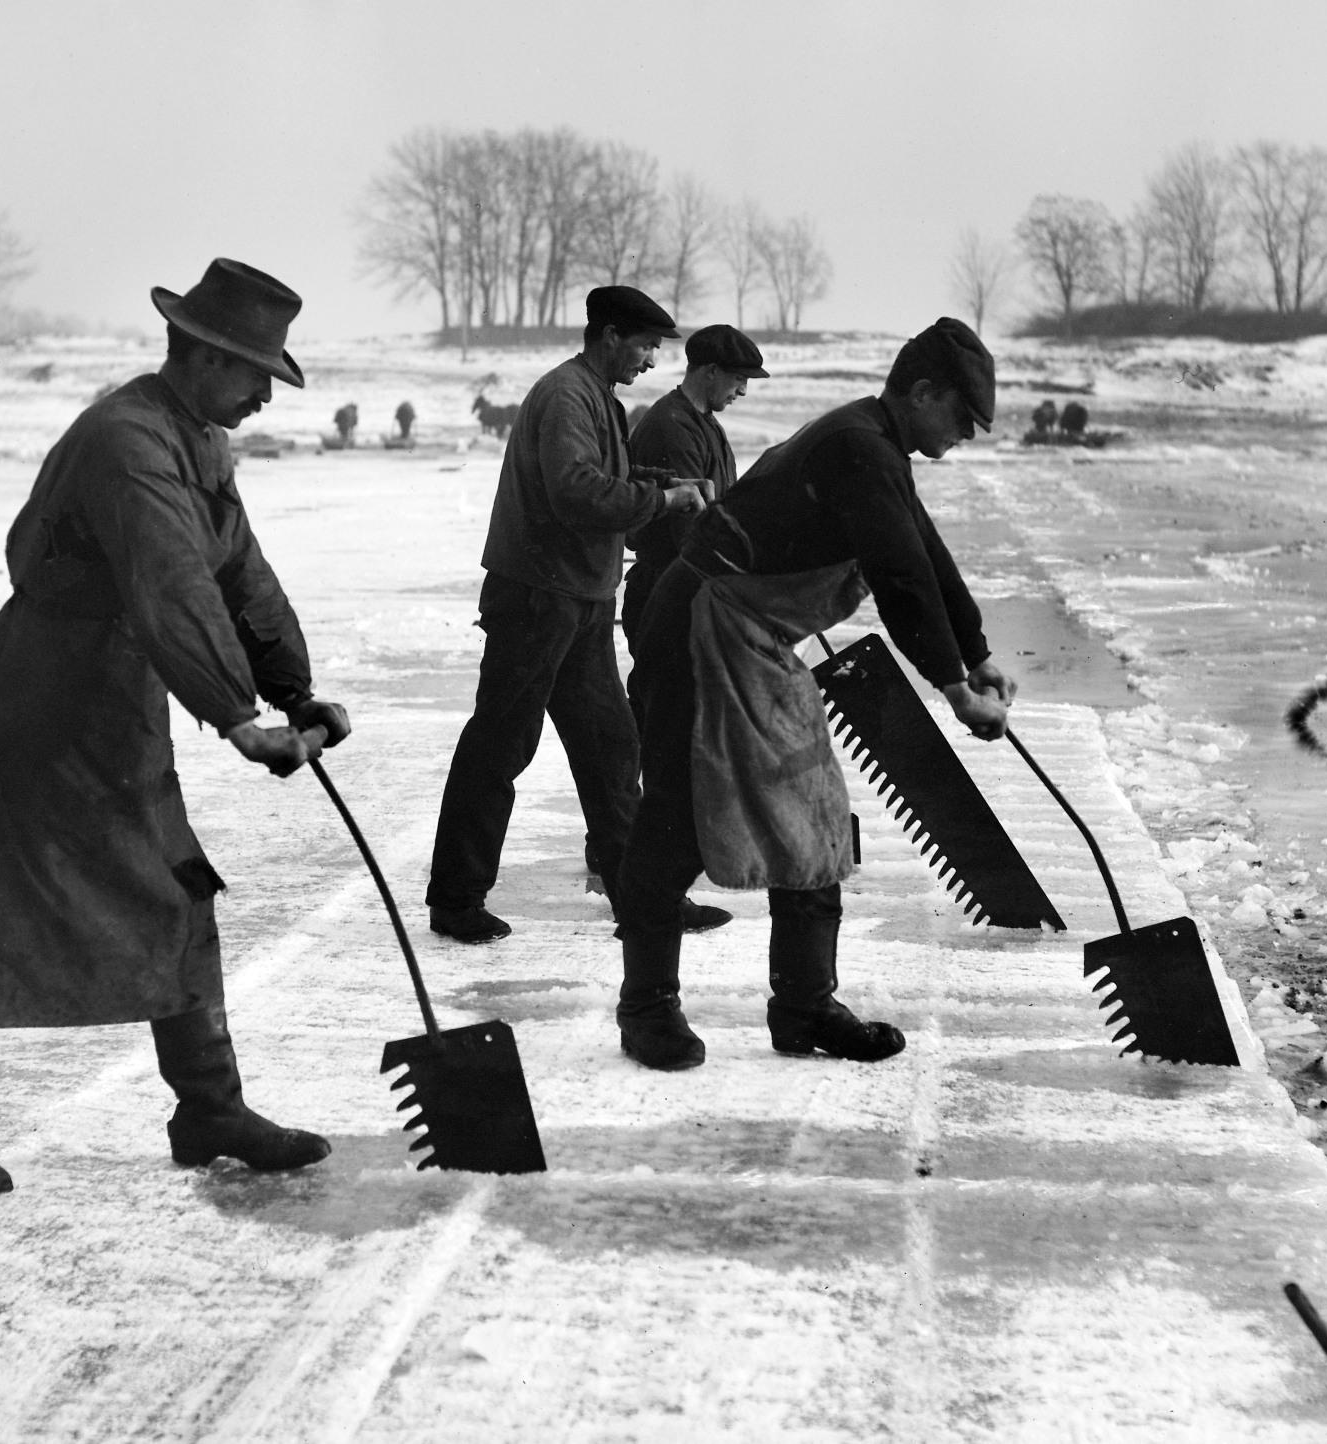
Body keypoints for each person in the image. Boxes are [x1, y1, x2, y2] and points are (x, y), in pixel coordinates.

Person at [0, 258, 352, 1202]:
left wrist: (292, 686)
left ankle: (208, 1110)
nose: (267, 391)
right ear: (198, 355)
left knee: (182, 889)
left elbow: (235, 569)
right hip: (48, 700)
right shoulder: (127, 443)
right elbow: (169, 580)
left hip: (125, 705)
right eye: (254, 371)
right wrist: (236, 716)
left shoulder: (198, 438)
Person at [611, 317, 1015, 1071]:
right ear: (923, 392)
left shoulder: (875, 445)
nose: (967, 434)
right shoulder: (858, 446)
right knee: (677, 819)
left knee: (816, 813)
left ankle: (804, 1007)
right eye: (962, 417)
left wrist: (976, 652)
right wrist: (956, 691)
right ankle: (646, 1010)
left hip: (756, 643)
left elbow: (923, 551)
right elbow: (897, 575)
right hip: (700, 633)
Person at [424, 285, 721, 945]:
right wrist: (663, 500)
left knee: (612, 751)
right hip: (536, 599)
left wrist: (659, 480)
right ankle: (455, 901)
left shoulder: (597, 399)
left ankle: (645, 901)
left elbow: (602, 471)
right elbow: (576, 490)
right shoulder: (566, 395)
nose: (650, 360)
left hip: (580, 598)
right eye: (645, 345)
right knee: (501, 745)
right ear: (610, 336)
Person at [619, 324, 769, 701]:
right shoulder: (673, 428)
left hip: (691, 597)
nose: (743, 390)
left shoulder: (704, 425)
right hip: (668, 597)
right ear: (710, 371)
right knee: (667, 721)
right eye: (738, 378)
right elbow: (692, 537)